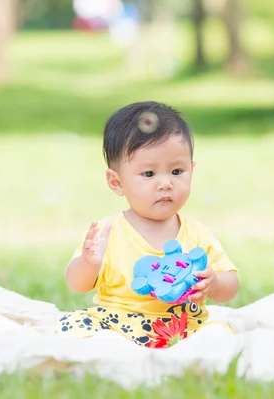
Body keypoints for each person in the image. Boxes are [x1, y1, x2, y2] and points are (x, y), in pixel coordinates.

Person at [55, 101, 239, 347]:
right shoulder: (108, 232)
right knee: (74, 324)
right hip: (117, 325)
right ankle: (114, 349)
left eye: (177, 171)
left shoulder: (197, 235)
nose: (165, 183)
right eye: (149, 174)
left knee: (220, 333)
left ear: (191, 171)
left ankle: (182, 352)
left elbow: (231, 287)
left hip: (182, 329)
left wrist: (214, 283)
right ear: (116, 182)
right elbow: (76, 284)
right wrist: (89, 262)